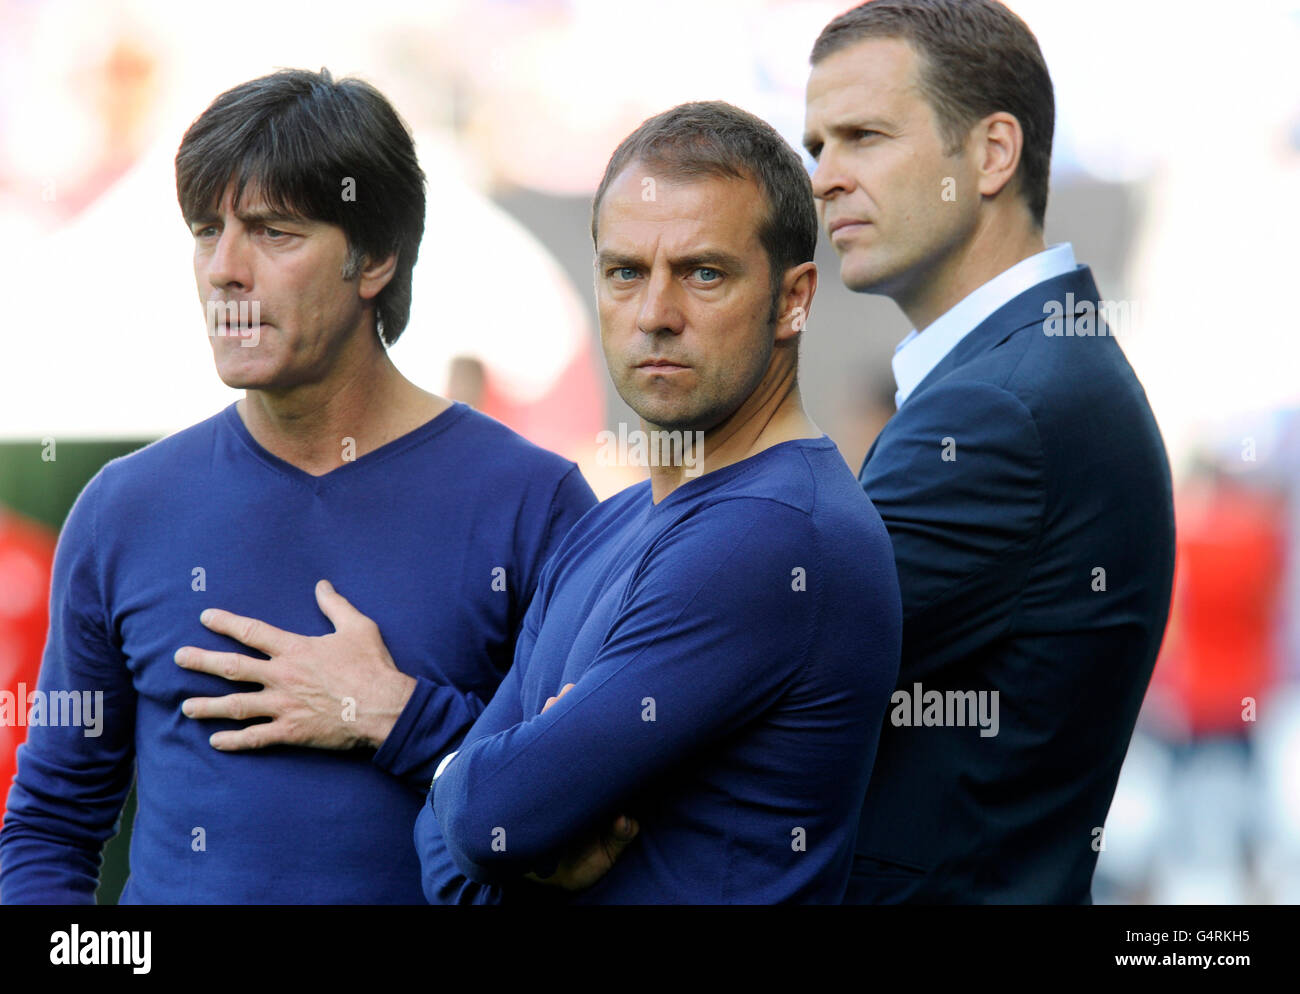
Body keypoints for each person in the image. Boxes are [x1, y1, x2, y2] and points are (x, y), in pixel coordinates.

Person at [0, 68, 595, 904]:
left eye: (274, 232)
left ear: (376, 258)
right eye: (207, 232)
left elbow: (580, 807)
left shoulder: (534, 505)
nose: (224, 270)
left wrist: (392, 716)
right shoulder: (123, 508)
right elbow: (51, 824)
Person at [410, 100, 902, 904]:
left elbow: (485, 813)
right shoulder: (609, 521)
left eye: (704, 273)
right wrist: (476, 796)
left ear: (794, 299)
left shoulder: (776, 538)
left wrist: (479, 791)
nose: (655, 315)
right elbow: (458, 840)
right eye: (626, 272)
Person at [802, 0, 1176, 903]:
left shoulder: (1000, 405)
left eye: (863, 136)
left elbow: (765, 667)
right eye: (817, 148)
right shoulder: (1032, 373)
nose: (825, 178)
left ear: (993, 154)